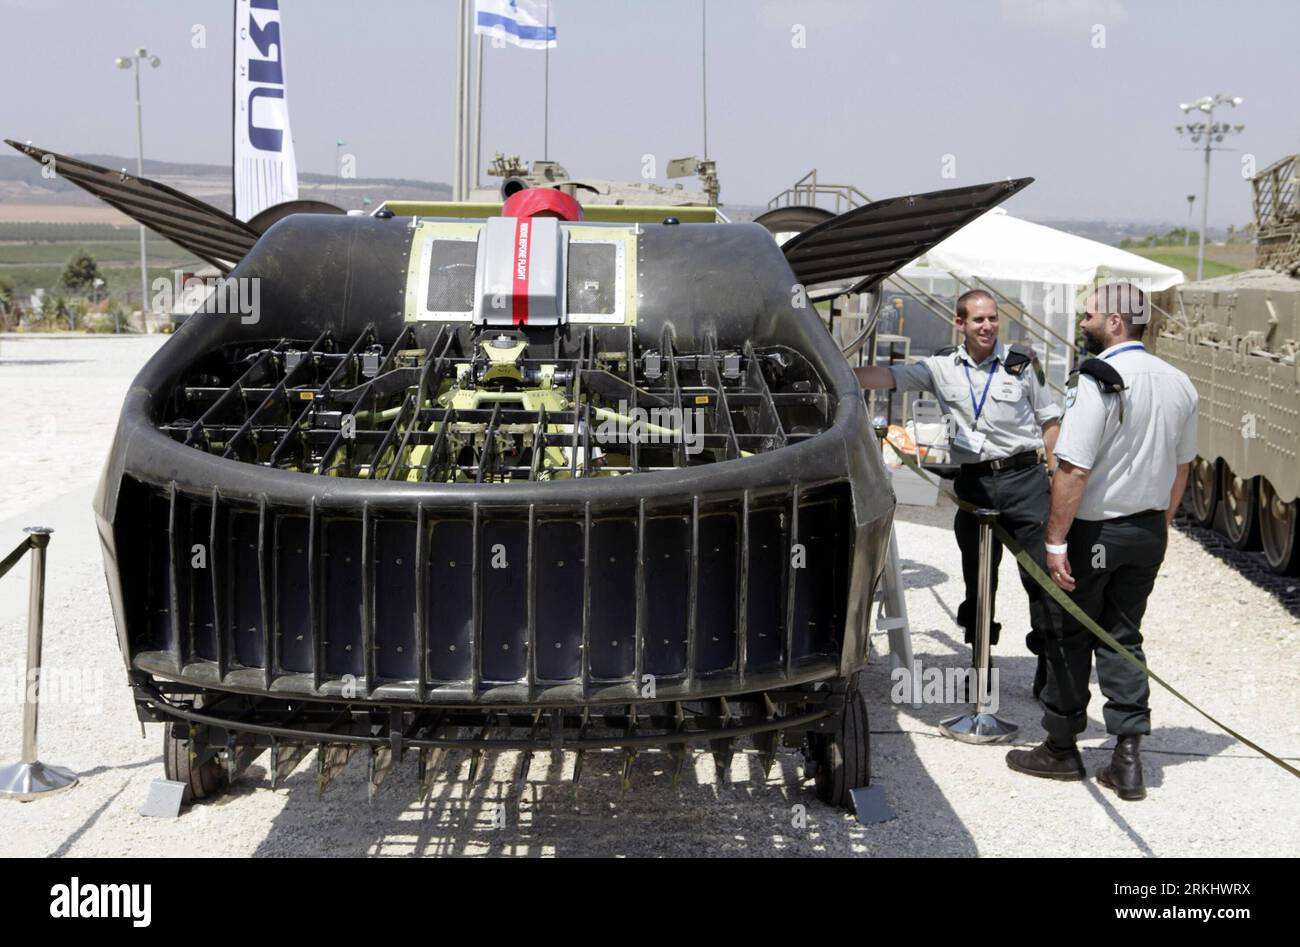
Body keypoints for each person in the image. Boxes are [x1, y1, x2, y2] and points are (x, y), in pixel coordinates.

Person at [1005, 282, 1198, 802]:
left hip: (1097, 532)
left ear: (1116, 322)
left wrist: (1055, 542)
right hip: (1147, 530)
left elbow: (1072, 469)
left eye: (1090, 315)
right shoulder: (1179, 382)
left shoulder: (1098, 379)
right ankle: (1128, 756)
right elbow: (1181, 468)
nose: (1083, 323)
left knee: (1069, 632)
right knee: (1122, 635)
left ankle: (1062, 748)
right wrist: (1160, 525)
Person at [857, 289, 1061, 694]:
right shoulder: (941, 368)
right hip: (975, 485)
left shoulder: (1023, 364)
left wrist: (1055, 478)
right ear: (960, 323)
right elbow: (886, 377)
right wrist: (832, 369)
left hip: (1025, 483)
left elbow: (1050, 420)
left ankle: (1049, 666)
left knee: (1040, 580)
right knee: (979, 580)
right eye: (978, 320)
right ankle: (980, 664)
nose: (987, 326)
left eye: (992, 319)